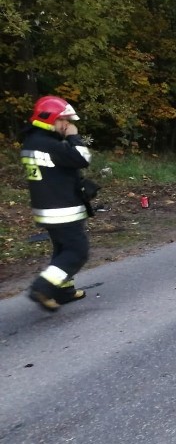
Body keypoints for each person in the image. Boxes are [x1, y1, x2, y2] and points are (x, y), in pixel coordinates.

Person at [20, 96, 92, 312]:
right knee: (77, 251)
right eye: (65, 121)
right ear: (51, 119)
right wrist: (74, 138)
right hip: (62, 209)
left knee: (62, 249)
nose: (67, 125)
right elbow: (82, 158)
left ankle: (63, 291)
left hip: (47, 208)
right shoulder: (50, 145)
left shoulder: (31, 142)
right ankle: (43, 287)